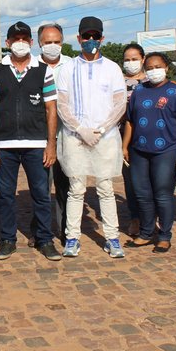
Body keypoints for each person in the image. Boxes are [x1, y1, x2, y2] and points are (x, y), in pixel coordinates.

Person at [0, 20, 62, 261]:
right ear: (7, 43)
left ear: (31, 42)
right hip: (5, 145)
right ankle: (8, 240)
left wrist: (51, 144)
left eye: (24, 39)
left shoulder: (43, 70)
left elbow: (51, 109)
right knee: (5, 195)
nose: (20, 43)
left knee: (40, 193)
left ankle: (45, 239)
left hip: (37, 144)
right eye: (15, 39)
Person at [56, 16, 127, 258]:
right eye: (86, 36)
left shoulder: (112, 68)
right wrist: (80, 129)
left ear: (102, 38)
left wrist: (102, 129)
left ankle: (112, 237)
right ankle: (72, 237)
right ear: (78, 39)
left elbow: (119, 103)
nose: (90, 41)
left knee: (105, 188)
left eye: (95, 36)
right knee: (76, 189)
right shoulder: (67, 68)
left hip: (105, 138)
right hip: (75, 137)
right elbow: (62, 105)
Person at [122, 52, 176, 253]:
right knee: (142, 194)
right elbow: (130, 121)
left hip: (166, 150)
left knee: (162, 193)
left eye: (157, 67)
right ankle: (145, 232)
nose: (154, 71)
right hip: (139, 150)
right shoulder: (139, 91)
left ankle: (164, 235)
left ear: (166, 68)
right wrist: (125, 146)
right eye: (149, 68)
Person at [30, 22, 72, 246]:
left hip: (66, 135)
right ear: (39, 43)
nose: (52, 46)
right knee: (41, 186)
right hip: (39, 135)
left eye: (56, 42)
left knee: (65, 185)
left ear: (62, 42)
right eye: (48, 42)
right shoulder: (30, 66)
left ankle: (66, 230)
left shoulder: (72, 66)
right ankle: (39, 230)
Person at [121, 43, 147, 240]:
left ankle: (151, 217)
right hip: (125, 138)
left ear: (143, 59)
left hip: (152, 137)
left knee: (152, 180)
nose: (131, 63)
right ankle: (135, 217)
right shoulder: (119, 82)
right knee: (131, 181)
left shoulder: (152, 80)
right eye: (127, 60)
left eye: (134, 59)